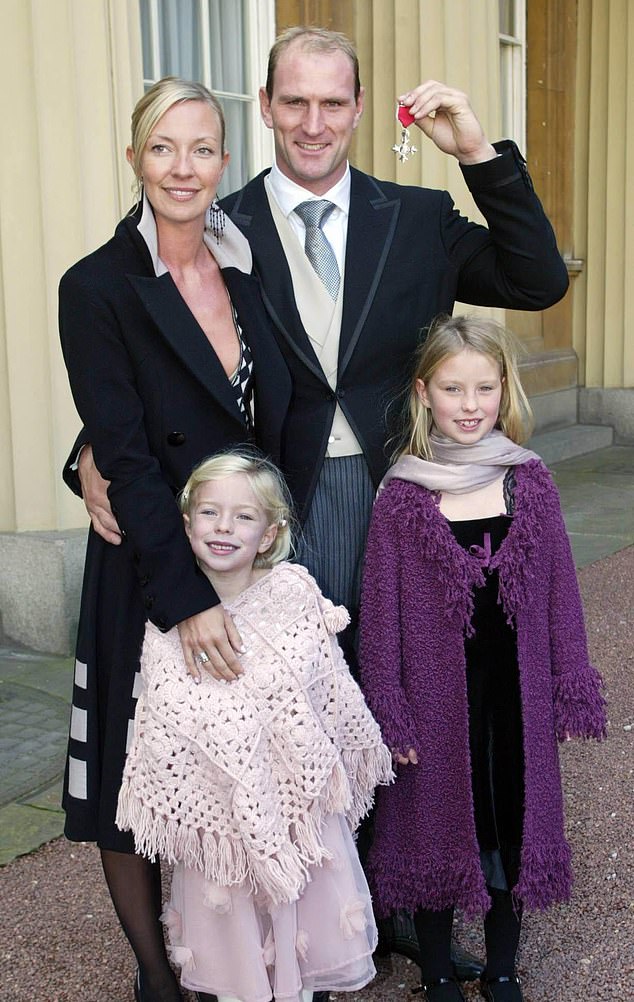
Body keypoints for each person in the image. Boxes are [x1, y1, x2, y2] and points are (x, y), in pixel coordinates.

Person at [71, 24, 570, 981]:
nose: (312, 122)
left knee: (401, 708)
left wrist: (476, 152)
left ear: (356, 108)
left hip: (403, 503)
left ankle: (401, 903)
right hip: (272, 512)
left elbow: (538, 280)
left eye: (332, 102)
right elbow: (151, 356)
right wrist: (84, 454)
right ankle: (285, 926)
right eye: (292, 102)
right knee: (286, 713)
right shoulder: (223, 219)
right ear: (264, 108)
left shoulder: (420, 217)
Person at [58, 79, 291, 1002]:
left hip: (247, 556)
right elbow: (121, 448)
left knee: (225, 765)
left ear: (224, 163)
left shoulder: (246, 269)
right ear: (134, 160)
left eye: (201, 149)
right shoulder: (97, 286)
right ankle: (158, 976)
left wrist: (276, 538)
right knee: (128, 772)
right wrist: (184, 599)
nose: (183, 168)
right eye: (163, 148)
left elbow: (281, 406)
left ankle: (228, 953)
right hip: (149, 560)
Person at [357, 314, 607, 1002]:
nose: (470, 405)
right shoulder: (403, 497)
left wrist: (566, 683)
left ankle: (501, 967)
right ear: (423, 393)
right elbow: (381, 615)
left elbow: (561, 594)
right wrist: (391, 712)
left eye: (485, 388)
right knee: (433, 832)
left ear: (506, 392)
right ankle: (437, 968)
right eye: (453, 388)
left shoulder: (529, 484)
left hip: (515, 700)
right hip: (435, 706)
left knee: (511, 832)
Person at [115, 449, 394, 1002]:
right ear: (186, 523)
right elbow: (164, 725)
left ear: (269, 534)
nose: (224, 527)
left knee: (303, 945)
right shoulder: (170, 620)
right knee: (236, 960)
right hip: (221, 824)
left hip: (301, 817)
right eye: (209, 513)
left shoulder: (294, 596)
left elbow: (330, 695)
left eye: (243, 516)